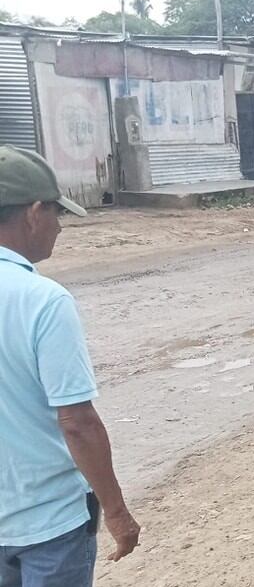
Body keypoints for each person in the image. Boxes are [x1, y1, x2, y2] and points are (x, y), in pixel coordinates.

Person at [0, 146, 140, 585]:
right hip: (49, 523)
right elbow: (77, 421)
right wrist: (117, 513)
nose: (60, 227)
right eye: (57, 214)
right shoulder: (42, 299)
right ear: (34, 213)